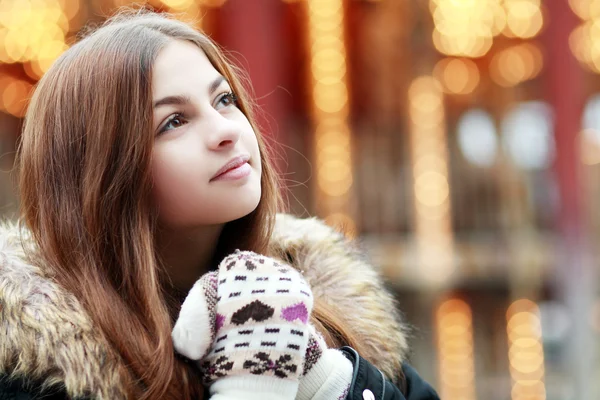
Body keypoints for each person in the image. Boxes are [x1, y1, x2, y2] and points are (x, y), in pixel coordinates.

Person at [0, 8, 439, 400]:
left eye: (224, 99)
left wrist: (329, 382)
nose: (226, 130)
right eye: (174, 121)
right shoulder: (36, 372)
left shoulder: (322, 299)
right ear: (102, 174)